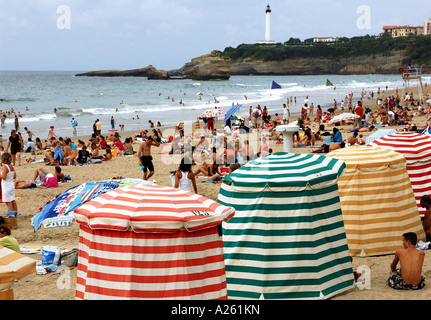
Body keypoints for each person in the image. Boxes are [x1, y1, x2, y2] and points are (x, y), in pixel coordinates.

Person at [1, 153, 17, 218]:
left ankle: (11, 216)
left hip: (6, 185)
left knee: (8, 202)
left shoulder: (5, 166)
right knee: (12, 200)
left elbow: (4, 177)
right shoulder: (11, 166)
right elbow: (14, 176)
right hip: (11, 184)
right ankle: (15, 214)